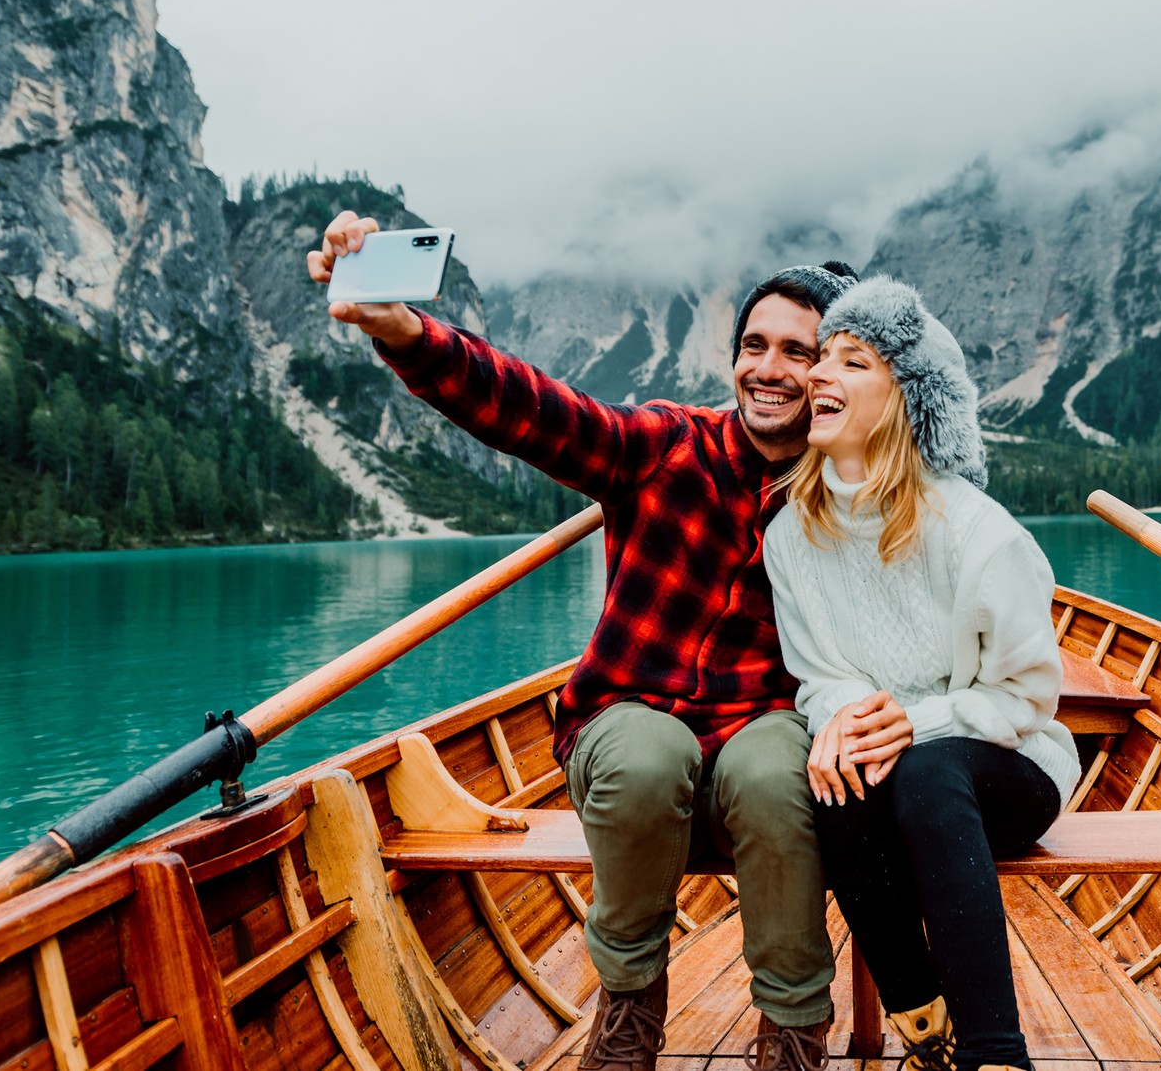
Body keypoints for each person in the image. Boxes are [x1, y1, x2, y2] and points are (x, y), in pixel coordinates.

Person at [308, 210, 856, 1071]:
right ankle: (629, 1014)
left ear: (834, 374)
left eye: (799, 350)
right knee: (645, 756)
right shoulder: (667, 445)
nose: (768, 368)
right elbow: (529, 409)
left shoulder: (852, 493)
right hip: (628, 719)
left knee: (778, 766)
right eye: (755, 345)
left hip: (760, 733)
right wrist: (406, 333)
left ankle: (792, 1035)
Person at [761, 277, 1081, 1071]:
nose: (817, 376)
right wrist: (845, 721)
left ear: (904, 397)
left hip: (1009, 765)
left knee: (926, 773)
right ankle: (923, 1023)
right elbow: (818, 674)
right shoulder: (790, 537)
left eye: (853, 361)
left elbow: (1030, 696)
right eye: (820, 359)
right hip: (893, 761)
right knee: (834, 774)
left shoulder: (976, 533)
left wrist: (915, 722)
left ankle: (995, 1055)